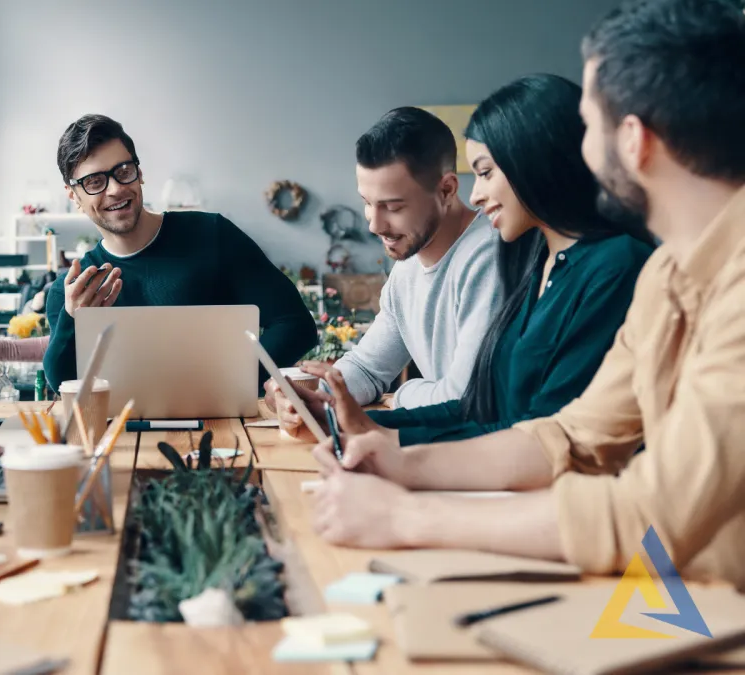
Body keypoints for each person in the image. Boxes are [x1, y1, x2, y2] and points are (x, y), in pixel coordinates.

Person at [303, 0, 745, 591]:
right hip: (676, 594)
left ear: (634, 142)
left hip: (709, 608)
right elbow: (570, 435)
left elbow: (651, 513)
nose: (577, 148)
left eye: (589, 127)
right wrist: (401, 461)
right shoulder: (669, 273)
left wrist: (409, 514)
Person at [273, 75, 656, 445]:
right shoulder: (542, 262)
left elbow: (526, 429)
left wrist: (394, 413)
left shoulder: (578, 262)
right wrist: (332, 411)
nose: (374, 224)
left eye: (486, 173)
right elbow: (486, 410)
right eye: (367, 204)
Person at [40, 114, 317, 394]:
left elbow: (294, 324)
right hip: (123, 434)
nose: (115, 189)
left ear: (140, 172)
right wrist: (72, 317)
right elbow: (62, 382)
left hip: (224, 430)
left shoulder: (212, 234)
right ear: (73, 196)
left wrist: (230, 384)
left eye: (123, 170)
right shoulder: (75, 291)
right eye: (94, 182)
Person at [266, 107, 502, 414]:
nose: (374, 225)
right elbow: (367, 367)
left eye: (392, 207)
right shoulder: (406, 267)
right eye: (367, 203)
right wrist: (309, 397)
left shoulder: (488, 257)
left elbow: (465, 398)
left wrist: (402, 395)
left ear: (446, 190)